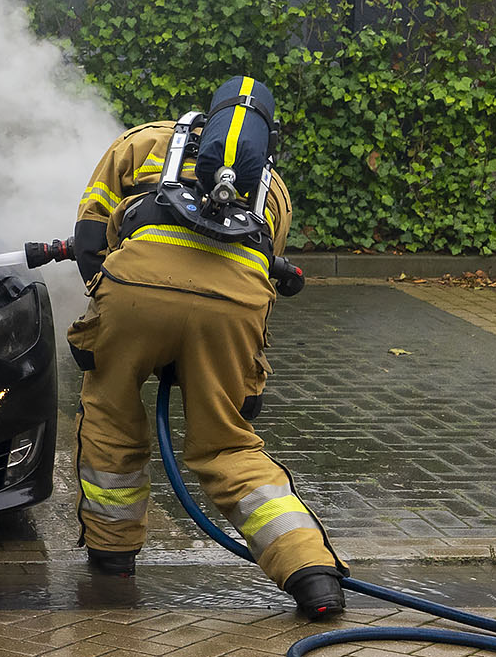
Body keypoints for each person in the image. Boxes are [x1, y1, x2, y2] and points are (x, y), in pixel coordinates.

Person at [64, 76, 346, 619]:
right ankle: (312, 575)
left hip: (134, 290)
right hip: (232, 307)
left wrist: (114, 316)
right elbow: (259, 277)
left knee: (111, 416)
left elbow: (89, 240)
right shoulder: (272, 186)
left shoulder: (141, 142)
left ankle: (113, 555)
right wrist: (238, 380)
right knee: (227, 446)